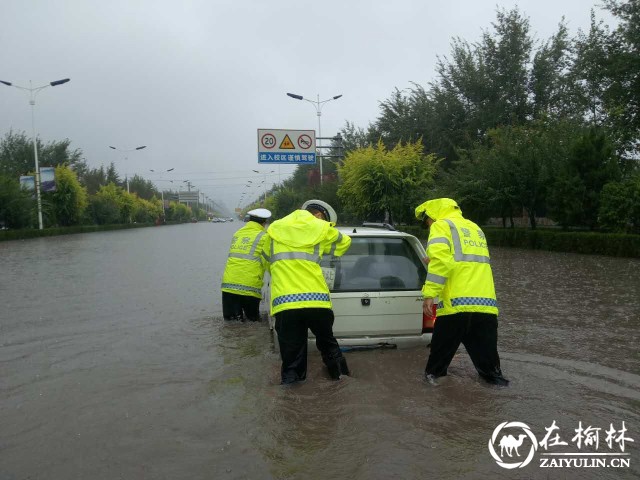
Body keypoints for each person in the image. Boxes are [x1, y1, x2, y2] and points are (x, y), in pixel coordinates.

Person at [415, 198, 509, 386]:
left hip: (455, 307)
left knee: (434, 374)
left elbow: (443, 263)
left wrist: (429, 294)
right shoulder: (475, 228)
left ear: (432, 215)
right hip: (486, 309)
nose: (428, 225)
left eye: (427, 222)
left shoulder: (441, 226)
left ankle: (435, 408)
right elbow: (466, 264)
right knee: (492, 375)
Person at [265, 199, 351, 384]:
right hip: (317, 301)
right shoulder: (321, 230)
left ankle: (291, 398)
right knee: (329, 347)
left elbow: (267, 261)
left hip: (285, 304)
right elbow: (344, 243)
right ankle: (342, 381)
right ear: (319, 216)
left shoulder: (273, 231)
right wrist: (321, 231)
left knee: (292, 359)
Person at [221, 208, 271, 321]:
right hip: (250, 286)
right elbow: (269, 262)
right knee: (252, 321)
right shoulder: (264, 237)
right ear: (264, 223)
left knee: (231, 323)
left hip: (228, 285)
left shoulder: (237, 233)